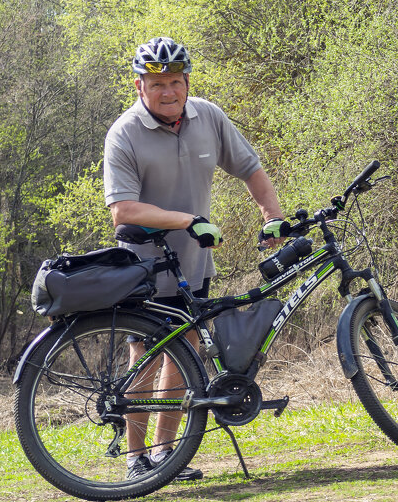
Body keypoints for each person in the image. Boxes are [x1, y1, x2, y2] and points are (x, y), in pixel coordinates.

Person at [103, 36, 288, 481]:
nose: (168, 91)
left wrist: (273, 215)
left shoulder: (208, 116)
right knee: (143, 358)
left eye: (175, 81)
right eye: (156, 83)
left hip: (194, 266)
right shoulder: (124, 134)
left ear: (187, 82)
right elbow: (122, 210)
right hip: (143, 267)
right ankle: (136, 460)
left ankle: (166, 456)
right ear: (139, 86)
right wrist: (186, 219)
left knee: (183, 356)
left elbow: (250, 168)